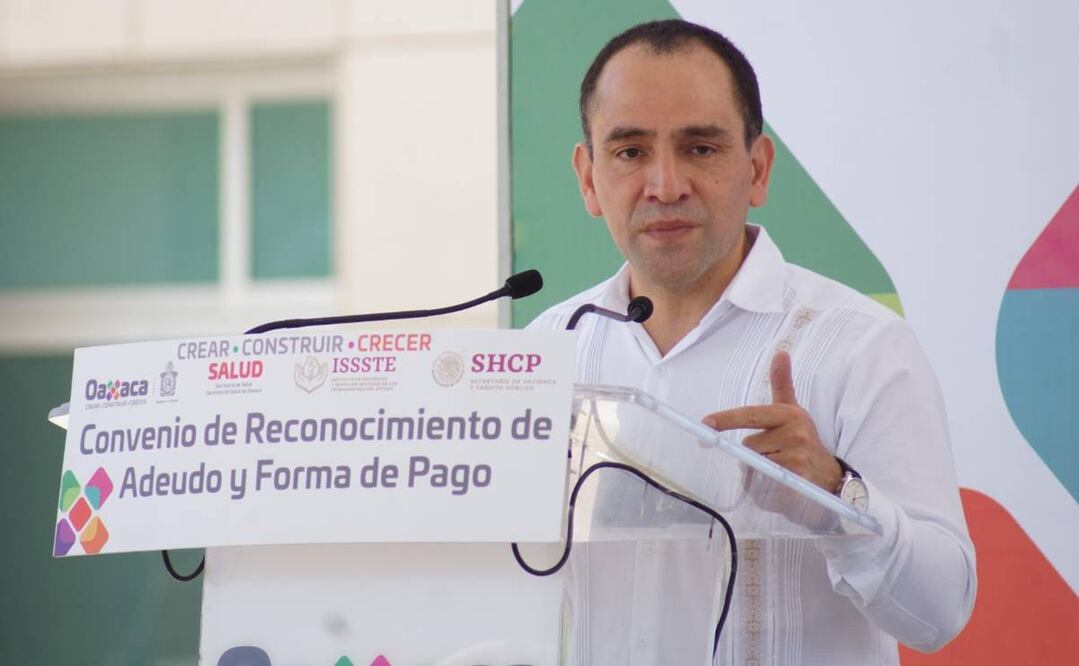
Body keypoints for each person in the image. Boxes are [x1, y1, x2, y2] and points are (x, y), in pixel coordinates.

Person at [528, 19, 976, 665]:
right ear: (588, 177)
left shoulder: (858, 346)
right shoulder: (547, 352)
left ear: (757, 168)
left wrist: (835, 495)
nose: (664, 185)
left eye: (699, 148)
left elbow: (940, 613)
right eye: (629, 151)